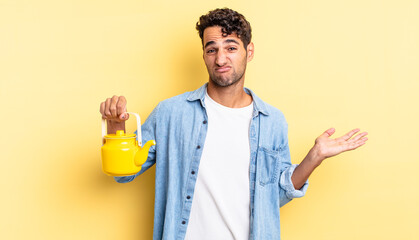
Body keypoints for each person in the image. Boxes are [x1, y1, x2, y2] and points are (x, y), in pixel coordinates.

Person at [99, 8, 368, 240]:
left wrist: (314, 157)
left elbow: (273, 198)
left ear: (249, 52)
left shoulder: (272, 121)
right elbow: (124, 173)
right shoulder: (171, 113)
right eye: (211, 49)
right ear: (203, 54)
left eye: (231, 47)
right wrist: (114, 129)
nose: (220, 58)